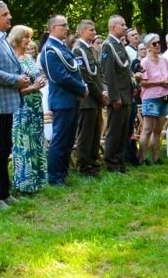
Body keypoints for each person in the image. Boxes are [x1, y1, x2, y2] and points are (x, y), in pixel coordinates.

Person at [0, 1, 36, 209]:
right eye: (5, 14)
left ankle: (4, 191)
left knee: (6, 150)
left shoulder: (2, 38)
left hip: (8, 103)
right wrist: (16, 80)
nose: (9, 17)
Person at [40, 15, 87, 185]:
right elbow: (60, 76)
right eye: (63, 25)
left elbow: (73, 70)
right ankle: (54, 178)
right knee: (60, 140)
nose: (67, 28)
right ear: (52, 28)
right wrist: (82, 88)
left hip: (70, 98)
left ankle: (63, 173)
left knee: (68, 140)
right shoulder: (50, 49)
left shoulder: (61, 47)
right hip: (62, 100)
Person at [8, 25, 47, 194]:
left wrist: (41, 81)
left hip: (35, 105)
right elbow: (14, 90)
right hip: (22, 106)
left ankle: (38, 180)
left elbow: (37, 76)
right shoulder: (12, 60)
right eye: (25, 37)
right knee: (25, 142)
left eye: (29, 37)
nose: (28, 41)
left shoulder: (29, 58)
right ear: (16, 38)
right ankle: (24, 182)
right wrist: (34, 87)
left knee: (37, 140)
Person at [99, 16, 136, 173]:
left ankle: (120, 162)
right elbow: (109, 73)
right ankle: (112, 163)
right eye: (122, 24)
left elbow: (124, 71)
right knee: (114, 132)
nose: (125, 27)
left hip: (126, 95)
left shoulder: (119, 45)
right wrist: (115, 97)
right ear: (113, 27)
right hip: (118, 97)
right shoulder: (108, 46)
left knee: (124, 131)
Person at [70, 19, 104, 176]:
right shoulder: (78, 51)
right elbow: (86, 77)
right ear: (82, 32)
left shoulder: (91, 50)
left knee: (96, 133)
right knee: (86, 135)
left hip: (96, 99)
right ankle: (84, 165)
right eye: (91, 30)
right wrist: (99, 95)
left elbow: (98, 75)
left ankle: (93, 161)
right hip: (87, 99)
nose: (94, 32)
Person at [137, 34, 168, 165]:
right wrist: (160, 83)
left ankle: (156, 157)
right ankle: (141, 157)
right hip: (151, 97)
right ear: (148, 47)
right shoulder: (145, 62)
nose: (157, 45)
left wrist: (167, 81)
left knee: (158, 129)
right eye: (154, 44)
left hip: (164, 96)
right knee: (147, 129)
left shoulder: (164, 60)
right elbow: (143, 83)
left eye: (159, 42)